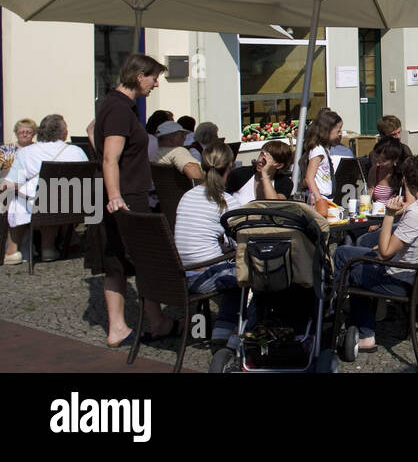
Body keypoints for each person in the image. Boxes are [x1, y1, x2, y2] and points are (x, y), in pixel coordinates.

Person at [88, 53, 177, 348]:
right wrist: (115, 195)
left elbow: (92, 132)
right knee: (145, 259)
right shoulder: (119, 110)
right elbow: (111, 157)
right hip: (127, 197)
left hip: (120, 195)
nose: (155, 85)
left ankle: (122, 327)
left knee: (116, 261)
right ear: (140, 76)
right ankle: (156, 322)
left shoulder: (112, 104)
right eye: (154, 78)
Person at [335, 155, 418, 350]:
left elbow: (384, 254)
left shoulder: (416, 213)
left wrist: (389, 215)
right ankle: (359, 316)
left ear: (406, 181)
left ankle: (359, 329)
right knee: (345, 252)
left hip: (402, 279)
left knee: (351, 268)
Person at [173, 142, 245, 345]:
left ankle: (219, 329)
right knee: (250, 274)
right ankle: (227, 331)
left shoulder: (186, 196)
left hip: (178, 275)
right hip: (202, 275)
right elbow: (242, 243)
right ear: (230, 166)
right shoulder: (226, 201)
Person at [2, 114, 88, 265]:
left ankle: (12, 251)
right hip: (72, 206)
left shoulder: (27, 153)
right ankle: (47, 248)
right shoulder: (76, 151)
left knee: (18, 198)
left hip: (39, 205)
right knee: (51, 197)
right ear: (63, 133)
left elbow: (11, 183)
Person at [226, 139, 294, 202]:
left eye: (265, 160)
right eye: (261, 154)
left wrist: (264, 173)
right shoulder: (240, 174)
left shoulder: (285, 182)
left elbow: (274, 204)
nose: (259, 161)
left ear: (279, 165)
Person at [298, 109, 343, 202]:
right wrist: (319, 199)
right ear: (328, 130)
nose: (340, 133)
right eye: (338, 130)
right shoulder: (317, 150)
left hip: (326, 197)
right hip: (319, 198)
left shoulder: (323, 149)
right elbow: (309, 178)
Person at [367, 138, 407, 205]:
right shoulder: (375, 170)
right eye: (377, 159)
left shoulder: (404, 174)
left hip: (396, 213)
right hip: (377, 213)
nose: (377, 164)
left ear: (395, 160)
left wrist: (389, 213)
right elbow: (368, 196)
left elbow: (410, 203)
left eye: (383, 161)